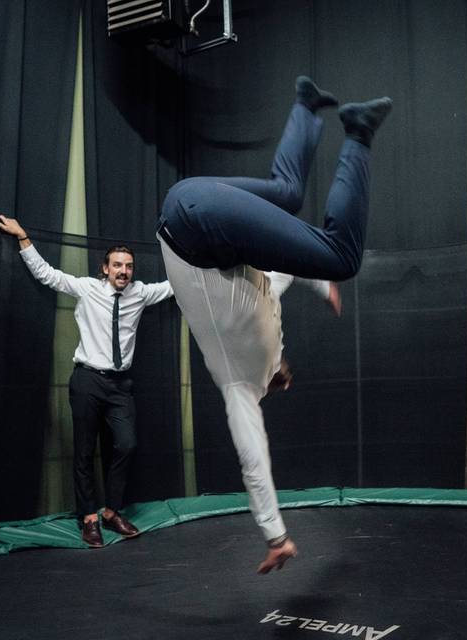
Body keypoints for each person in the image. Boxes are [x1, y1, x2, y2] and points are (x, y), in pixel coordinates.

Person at [156, 76, 391, 573]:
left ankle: (358, 130)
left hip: (194, 226)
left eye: (282, 377)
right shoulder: (270, 322)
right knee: (286, 194)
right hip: (191, 204)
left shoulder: (240, 385)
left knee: (341, 256)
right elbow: (284, 273)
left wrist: (275, 534)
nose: (286, 376)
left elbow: (253, 461)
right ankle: (306, 105)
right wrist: (321, 287)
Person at [0, 217, 174, 548]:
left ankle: (111, 511)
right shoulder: (87, 289)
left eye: (129, 266)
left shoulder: (142, 293)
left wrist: (202, 261)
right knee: (84, 451)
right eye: (117, 265)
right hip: (88, 380)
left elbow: (176, 285)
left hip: (121, 386)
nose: (124, 271)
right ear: (104, 268)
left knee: (127, 444)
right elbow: (48, 275)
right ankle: (88, 518)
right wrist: (23, 237)